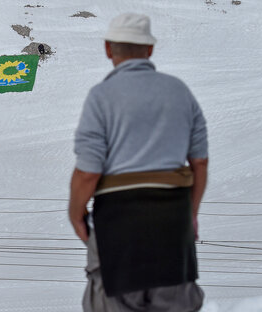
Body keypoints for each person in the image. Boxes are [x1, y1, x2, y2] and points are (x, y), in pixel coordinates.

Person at [68, 13, 209, 312]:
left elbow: (88, 171)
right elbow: (199, 162)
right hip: (173, 219)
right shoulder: (179, 91)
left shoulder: (101, 97)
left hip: (116, 223)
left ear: (108, 49)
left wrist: (76, 213)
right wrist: (191, 214)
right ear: (150, 50)